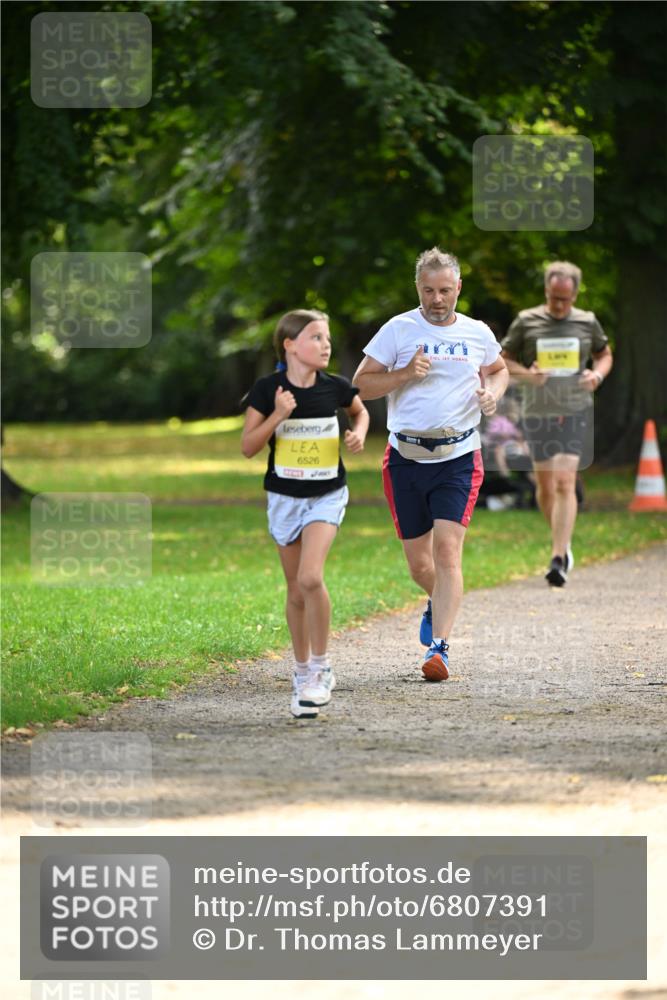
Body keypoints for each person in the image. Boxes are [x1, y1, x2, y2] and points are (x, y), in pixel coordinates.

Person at [352, 248, 508, 682]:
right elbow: (361, 386)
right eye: (428, 291)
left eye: (444, 290)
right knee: (422, 567)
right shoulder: (398, 330)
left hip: (459, 457)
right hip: (405, 458)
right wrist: (403, 375)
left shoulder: (477, 332)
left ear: (458, 288)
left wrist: (492, 392)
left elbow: (497, 370)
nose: (436, 299)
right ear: (417, 289)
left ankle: (438, 649)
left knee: (447, 553)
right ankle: (438, 599)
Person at [242, 310, 369, 718]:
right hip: (284, 498)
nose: (326, 344)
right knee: (295, 591)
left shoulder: (336, 387)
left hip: (327, 495)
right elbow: (248, 446)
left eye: (327, 337)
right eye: (316, 337)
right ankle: (300, 671)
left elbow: (360, 411)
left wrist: (359, 433)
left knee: (310, 577)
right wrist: (278, 415)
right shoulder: (268, 390)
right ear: (290, 345)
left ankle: (320, 667)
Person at [501, 261, 613, 586]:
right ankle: (561, 538)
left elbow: (604, 354)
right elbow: (504, 360)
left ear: (575, 294)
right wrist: (528, 375)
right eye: (553, 298)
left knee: (566, 481)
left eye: (565, 299)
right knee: (545, 488)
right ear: (546, 292)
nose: (559, 305)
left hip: (575, 409)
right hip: (537, 412)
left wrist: (597, 374)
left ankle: (558, 556)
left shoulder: (587, 322)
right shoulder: (527, 320)